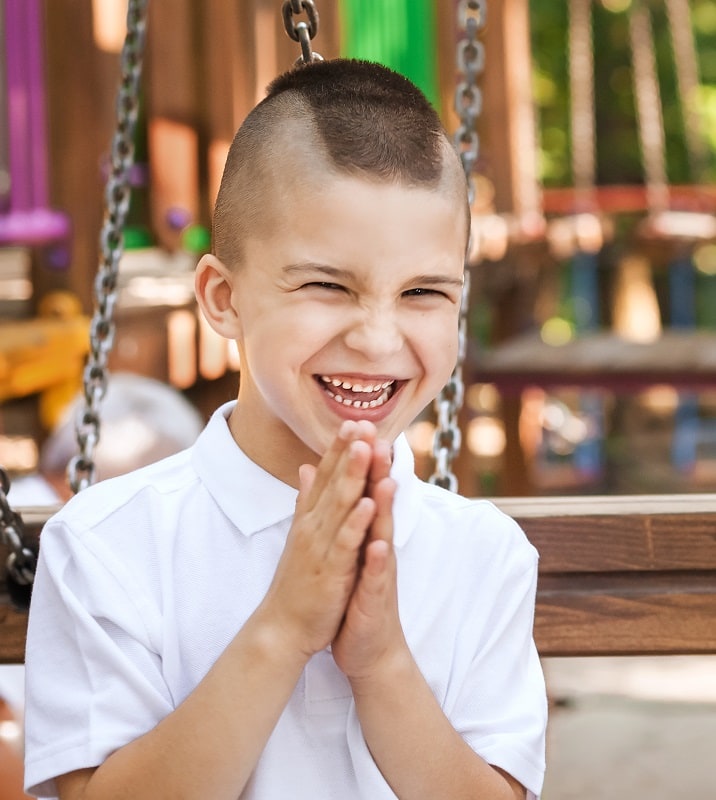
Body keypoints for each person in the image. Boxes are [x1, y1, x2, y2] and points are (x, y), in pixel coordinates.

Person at [24, 59, 547, 800]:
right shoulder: (108, 547)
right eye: (327, 285)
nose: (377, 338)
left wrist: (383, 664)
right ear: (223, 298)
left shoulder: (484, 556)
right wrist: (282, 629)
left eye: (424, 292)